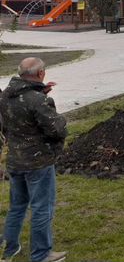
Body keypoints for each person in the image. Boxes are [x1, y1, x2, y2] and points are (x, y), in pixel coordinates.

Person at [0, 57, 68, 262]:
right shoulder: (38, 101)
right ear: (40, 74)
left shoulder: (5, 95)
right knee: (41, 207)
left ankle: (8, 249)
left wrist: (39, 93)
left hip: (15, 160)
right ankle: (41, 254)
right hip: (38, 162)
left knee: (17, 206)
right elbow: (56, 129)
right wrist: (54, 111)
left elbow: (15, 116)